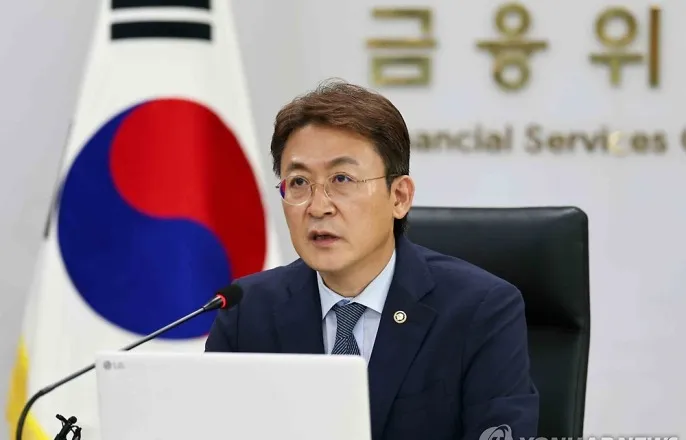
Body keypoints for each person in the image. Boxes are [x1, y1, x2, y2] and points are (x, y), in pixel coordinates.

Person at [205, 79, 539, 440]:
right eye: (299, 182)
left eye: (342, 179)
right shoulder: (245, 312)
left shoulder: (480, 311)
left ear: (399, 197)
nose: (318, 207)